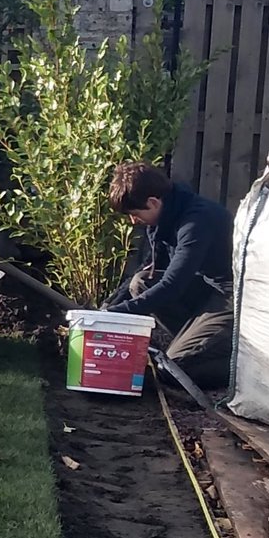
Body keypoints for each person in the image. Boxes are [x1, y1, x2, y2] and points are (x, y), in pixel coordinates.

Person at [107, 161, 235, 393]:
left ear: (153, 202)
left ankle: (240, 365)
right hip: (207, 289)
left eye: (135, 214)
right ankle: (196, 344)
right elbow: (150, 267)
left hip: (234, 298)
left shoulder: (196, 222)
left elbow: (172, 285)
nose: (133, 221)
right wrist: (110, 306)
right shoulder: (166, 217)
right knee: (142, 282)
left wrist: (120, 313)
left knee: (173, 368)